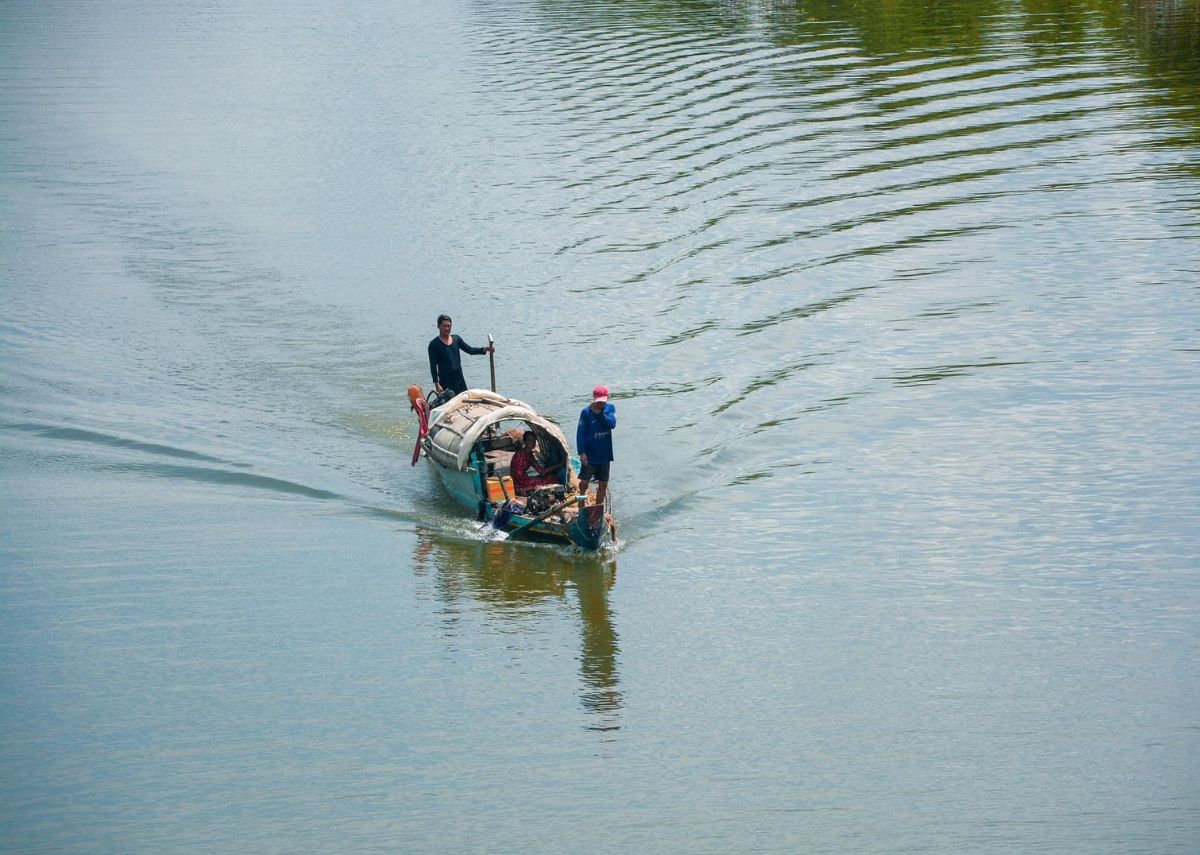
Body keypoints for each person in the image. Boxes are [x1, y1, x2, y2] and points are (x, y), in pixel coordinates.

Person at [427, 314, 494, 398]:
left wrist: (485, 349)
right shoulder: (434, 344)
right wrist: (437, 384)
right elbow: (433, 366)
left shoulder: (456, 339)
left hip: (459, 380)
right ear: (438, 326)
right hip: (445, 382)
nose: (447, 328)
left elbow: (470, 350)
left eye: (449, 326)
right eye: (444, 326)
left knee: (465, 403)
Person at [577, 384, 616, 508]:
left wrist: (600, 413)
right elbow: (580, 433)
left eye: (603, 402)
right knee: (584, 482)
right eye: (599, 402)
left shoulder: (610, 409)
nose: (601, 404)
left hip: (604, 454)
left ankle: (598, 509)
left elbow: (611, 424)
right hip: (590, 454)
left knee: (603, 483)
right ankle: (581, 507)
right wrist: (581, 452)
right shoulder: (585, 412)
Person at [510, 430, 562, 495]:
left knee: (550, 477)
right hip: (519, 483)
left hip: (521, 479)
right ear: (525, 442)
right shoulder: (520, 455)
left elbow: (540, 471)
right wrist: (558, 465)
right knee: (552, 480)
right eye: (530, 440)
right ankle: (522, 489)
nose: (533, 442)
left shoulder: (529, 454)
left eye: (534, 440)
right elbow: (518, 475)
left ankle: (525, 488)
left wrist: (557, 466)